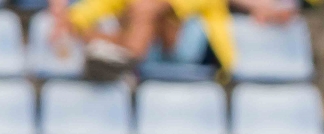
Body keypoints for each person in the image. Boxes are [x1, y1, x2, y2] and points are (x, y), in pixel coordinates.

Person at [48, 0, 294, 80]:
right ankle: (126, 53)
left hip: (196, 49)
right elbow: (86, 13)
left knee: (148, 9)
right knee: (139, 11)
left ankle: (125, 54)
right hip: (152, 46)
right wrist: (66, 21)